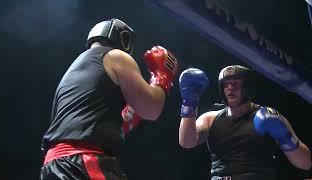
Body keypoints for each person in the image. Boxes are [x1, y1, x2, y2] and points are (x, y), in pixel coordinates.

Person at [40, 18, 178, 180]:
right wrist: (163, 75)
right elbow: (151, 109)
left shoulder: (75, 69)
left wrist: (127, 115)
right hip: (82, 161)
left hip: (53, 165)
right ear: (123, 39)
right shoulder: (116, 56)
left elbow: (90, 124)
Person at [178, 65, 311, 180]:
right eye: (226, 84)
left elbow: (306, 163)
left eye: (235, 83)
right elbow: (187, 142)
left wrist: (285, 137)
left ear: (247, 86)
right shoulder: (210, 118)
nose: (230, 88)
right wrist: (189, 103)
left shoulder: (269, 115)